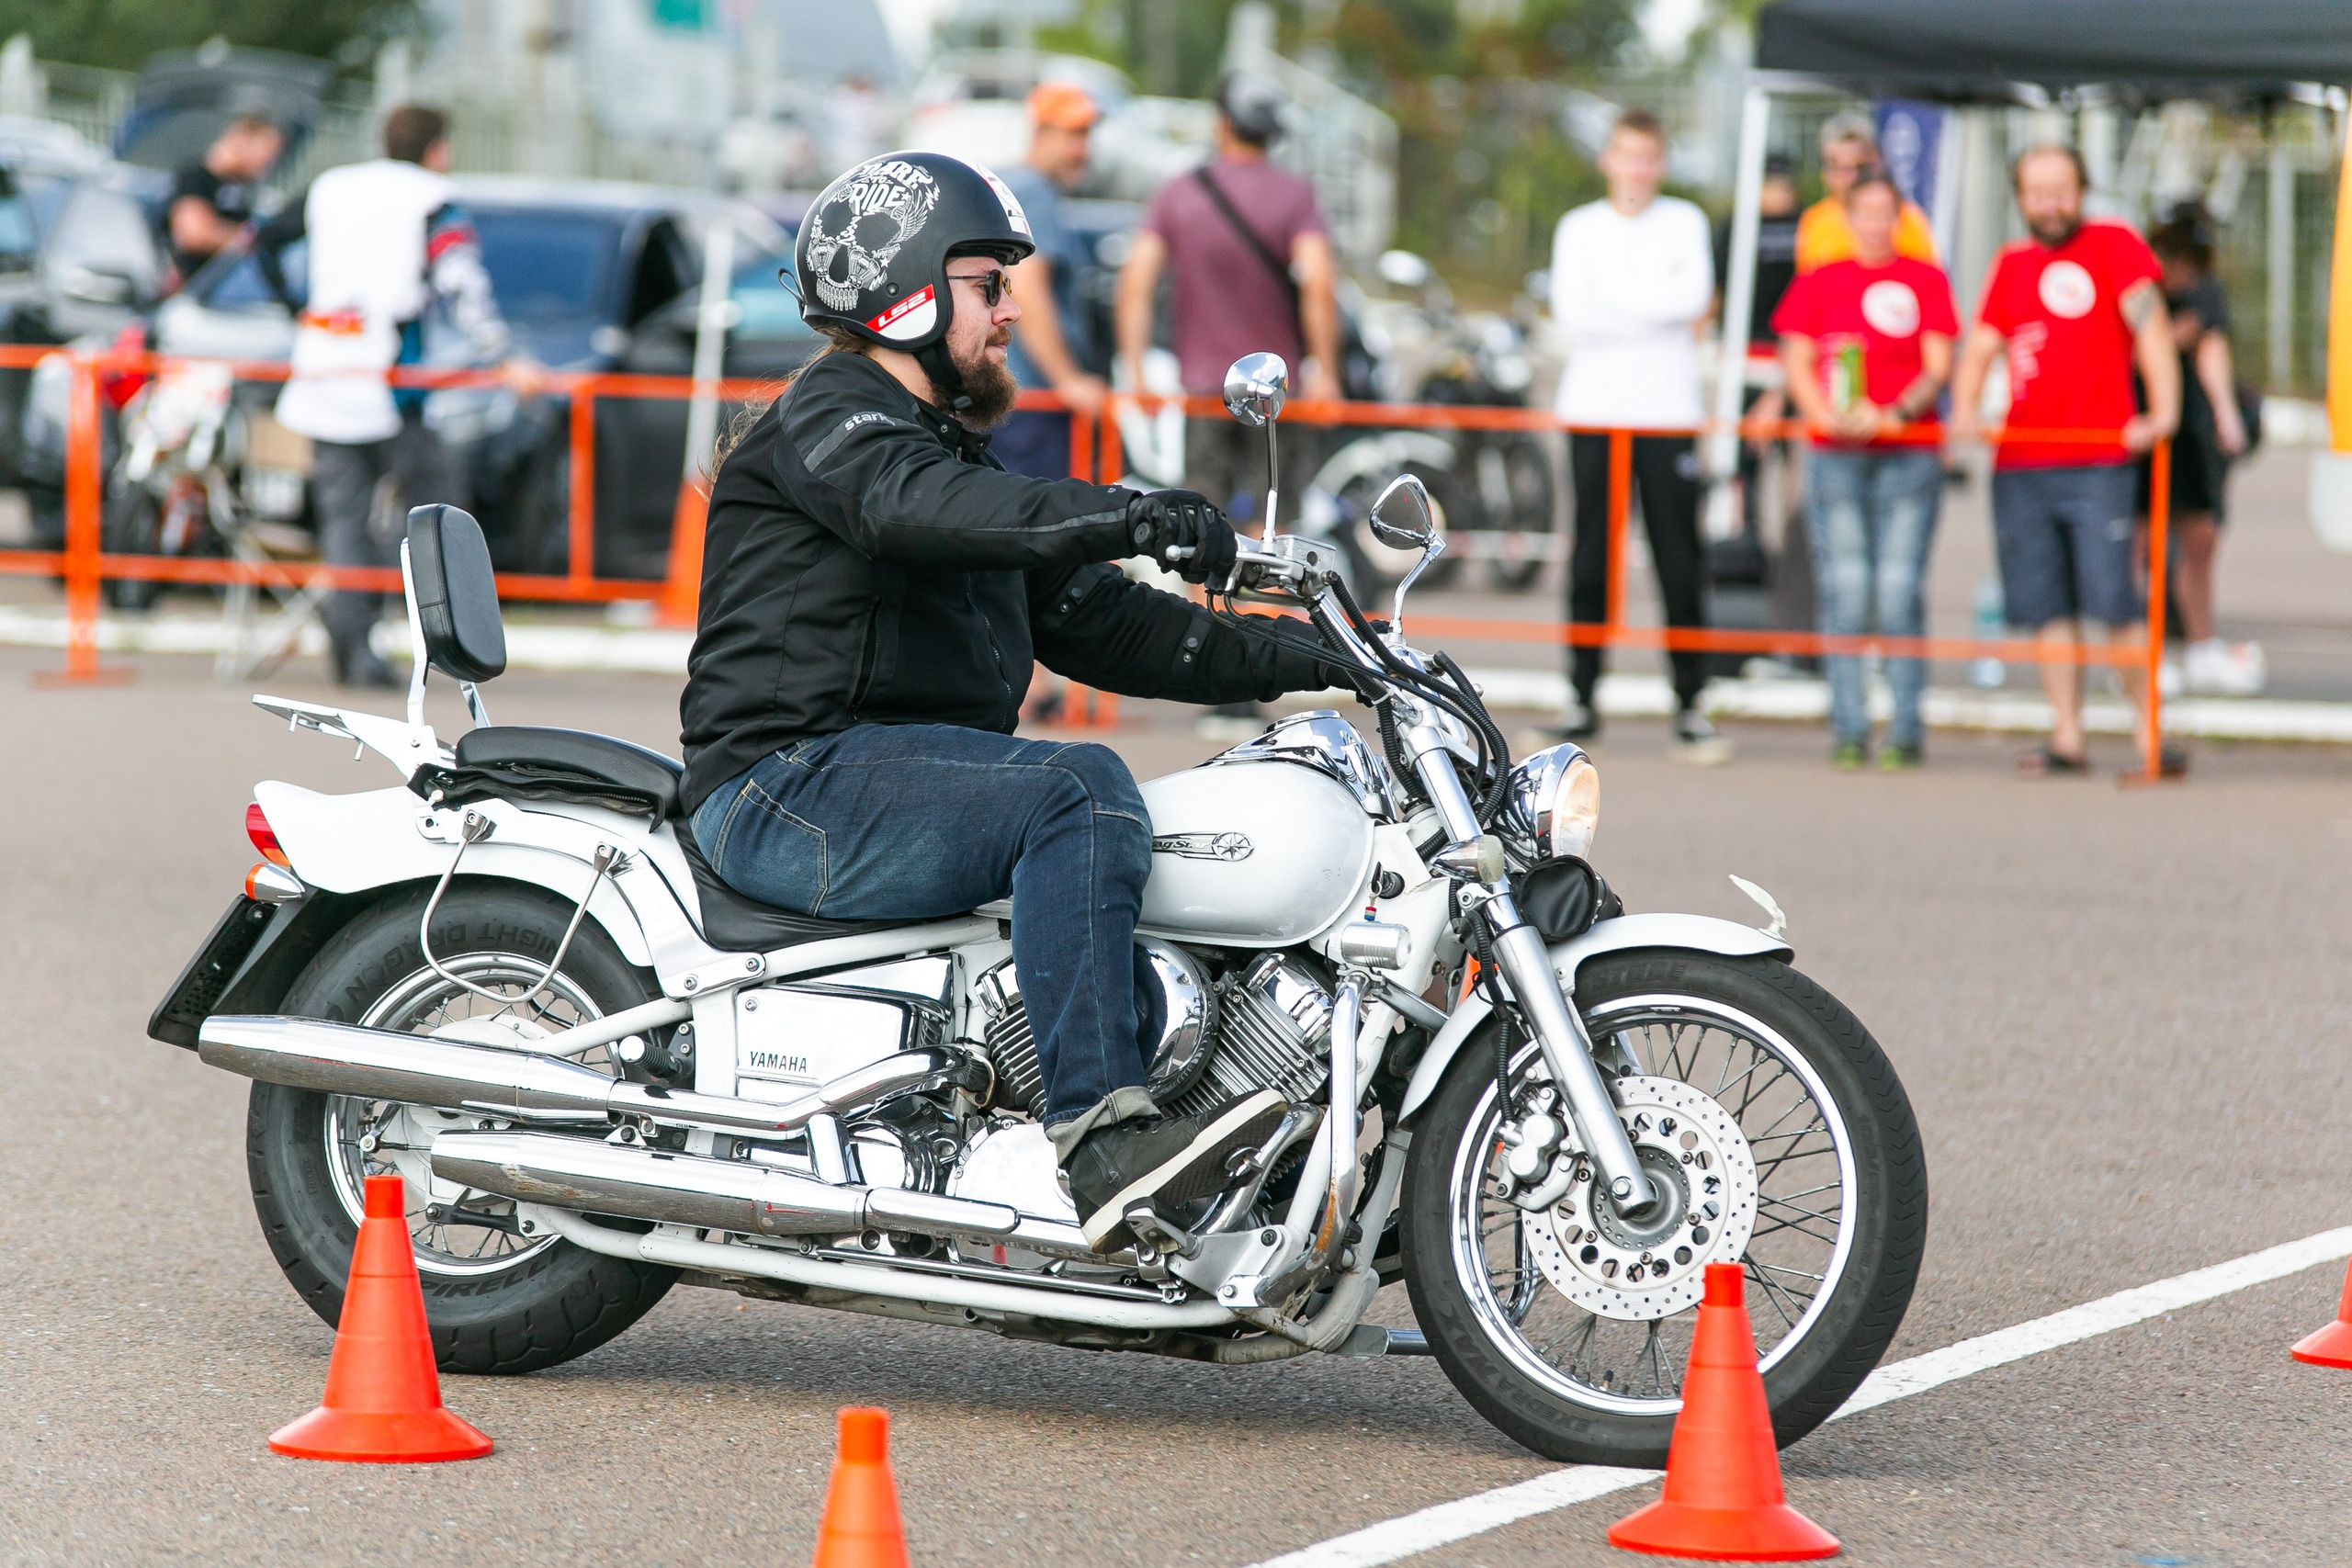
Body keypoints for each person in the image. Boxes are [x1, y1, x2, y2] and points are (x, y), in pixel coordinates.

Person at [685, 152, 1345, 1249]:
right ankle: (1102, 1136)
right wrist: (1133, 515)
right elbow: (919, 511)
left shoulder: (945, 452)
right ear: (904, 292)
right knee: (1075, 788)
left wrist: (1313, 654)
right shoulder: (835, 421)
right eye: (988, 285)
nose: (1009, 312)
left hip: (875, 774)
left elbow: (1103, 623)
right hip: (786, 784)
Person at [1115, 72, 1341, 740]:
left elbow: (1136, 282)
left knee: (1202, 527)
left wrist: (1133, 366)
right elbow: (1319, 283)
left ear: (1220, 123)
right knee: (1277, 531)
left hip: (1203, 391)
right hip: (1278, 395)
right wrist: (1323, 367)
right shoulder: (1294, 195)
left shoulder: (1180, 195)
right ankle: (1263, 671)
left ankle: (1218, 678)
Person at [1950, 144, 2181, 775]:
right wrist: (1966, 407)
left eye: (2062, 188)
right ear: (2020, 197)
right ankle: (2068, 733)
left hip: (2100, 458)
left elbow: (2152, 330)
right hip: (2022, 461)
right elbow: (1982, 346)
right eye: (2037, 191)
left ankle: (2147, 732)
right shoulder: (2012, 263)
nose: (2051, 203)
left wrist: (2162, 410)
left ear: (2082, 188)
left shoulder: (2114, 245)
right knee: (2044, 603)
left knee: (2116, 600)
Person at [275, 106, 516, 688]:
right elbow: (459, 278)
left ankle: (352, 645)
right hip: (391, 381)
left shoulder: (330, 187)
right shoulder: (432, 195)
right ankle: (443, 645)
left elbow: (262, 242)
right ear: (436, 149)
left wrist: (298, 309)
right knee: (435, 511)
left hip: (324, 370)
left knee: (343, 521)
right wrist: (500, 354)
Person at [1540, 107, 1730, 764]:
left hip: (1668, 411)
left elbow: (1695, 298)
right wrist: (1653, 305)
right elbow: (1572, 313)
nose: (1638, 168)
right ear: (1608, 159)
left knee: (1680, 557)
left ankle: (1691, 700)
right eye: (1627, 154)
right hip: (1593, 409)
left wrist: (1617, 302)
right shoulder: (1579, 227)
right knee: (1591, 553)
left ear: (1662, 163)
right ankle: (1582, 694)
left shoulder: (1684, 220)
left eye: (1649, 156)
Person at [1773, 173, 1958, 770]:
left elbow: (1938, 364)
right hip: (1836, 454)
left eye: (1887, 214)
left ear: (1899, 219)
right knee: (1847, 592)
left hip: (1908, 451)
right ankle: (1849, 726)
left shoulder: (1926, 278)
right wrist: (1825, 413)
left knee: (1899, 591)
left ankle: (1906, 727)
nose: (1876, 224)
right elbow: (1797, 357)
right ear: (1848, 219)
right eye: (1866, 213)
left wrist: (1894, 412)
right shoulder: (1820, 280)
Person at [2140, 212, 2258, 695]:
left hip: (2190, 435)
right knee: (2143, 548)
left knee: (2199, 540)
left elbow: (2203, 346)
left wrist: (2227, 417)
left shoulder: (2204, 296)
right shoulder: (2139, 294)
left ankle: (2201, 645)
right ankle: (2148, 652)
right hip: (2143, 430)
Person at [992, 81, 1109, 482]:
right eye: (1073, 135)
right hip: (1032, 404)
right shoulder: (1033, 192)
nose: (1083, 149)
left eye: (1087, 135)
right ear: (1040, 133)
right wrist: (1068, 381)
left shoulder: (1011, 186)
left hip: (1011, 399)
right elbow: (1026, 288)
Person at [1715, 154, 1807, 638]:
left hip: (1789, 361)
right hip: (1748, 358)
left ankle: (1784, 560)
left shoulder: (1801, 228)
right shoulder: (1736, 228)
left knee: (1789, 476)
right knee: (1744, 468)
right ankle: (1750, 547)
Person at [1794, 113, 1937, 276]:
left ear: (1876, 163)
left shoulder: (1907, 218)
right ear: (1827, 174)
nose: (1853, 177)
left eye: (1861, 167)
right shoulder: (1816, 222)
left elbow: (1926, 280)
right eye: (1843, 169)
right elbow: (1809, 287)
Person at [164, 112, 284, 281]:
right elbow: (195, 235)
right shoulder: (197, 176)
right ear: (243, 141)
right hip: (200, 281)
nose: (268, 161)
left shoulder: (243, 186)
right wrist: (250, 238)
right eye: (266, 150)